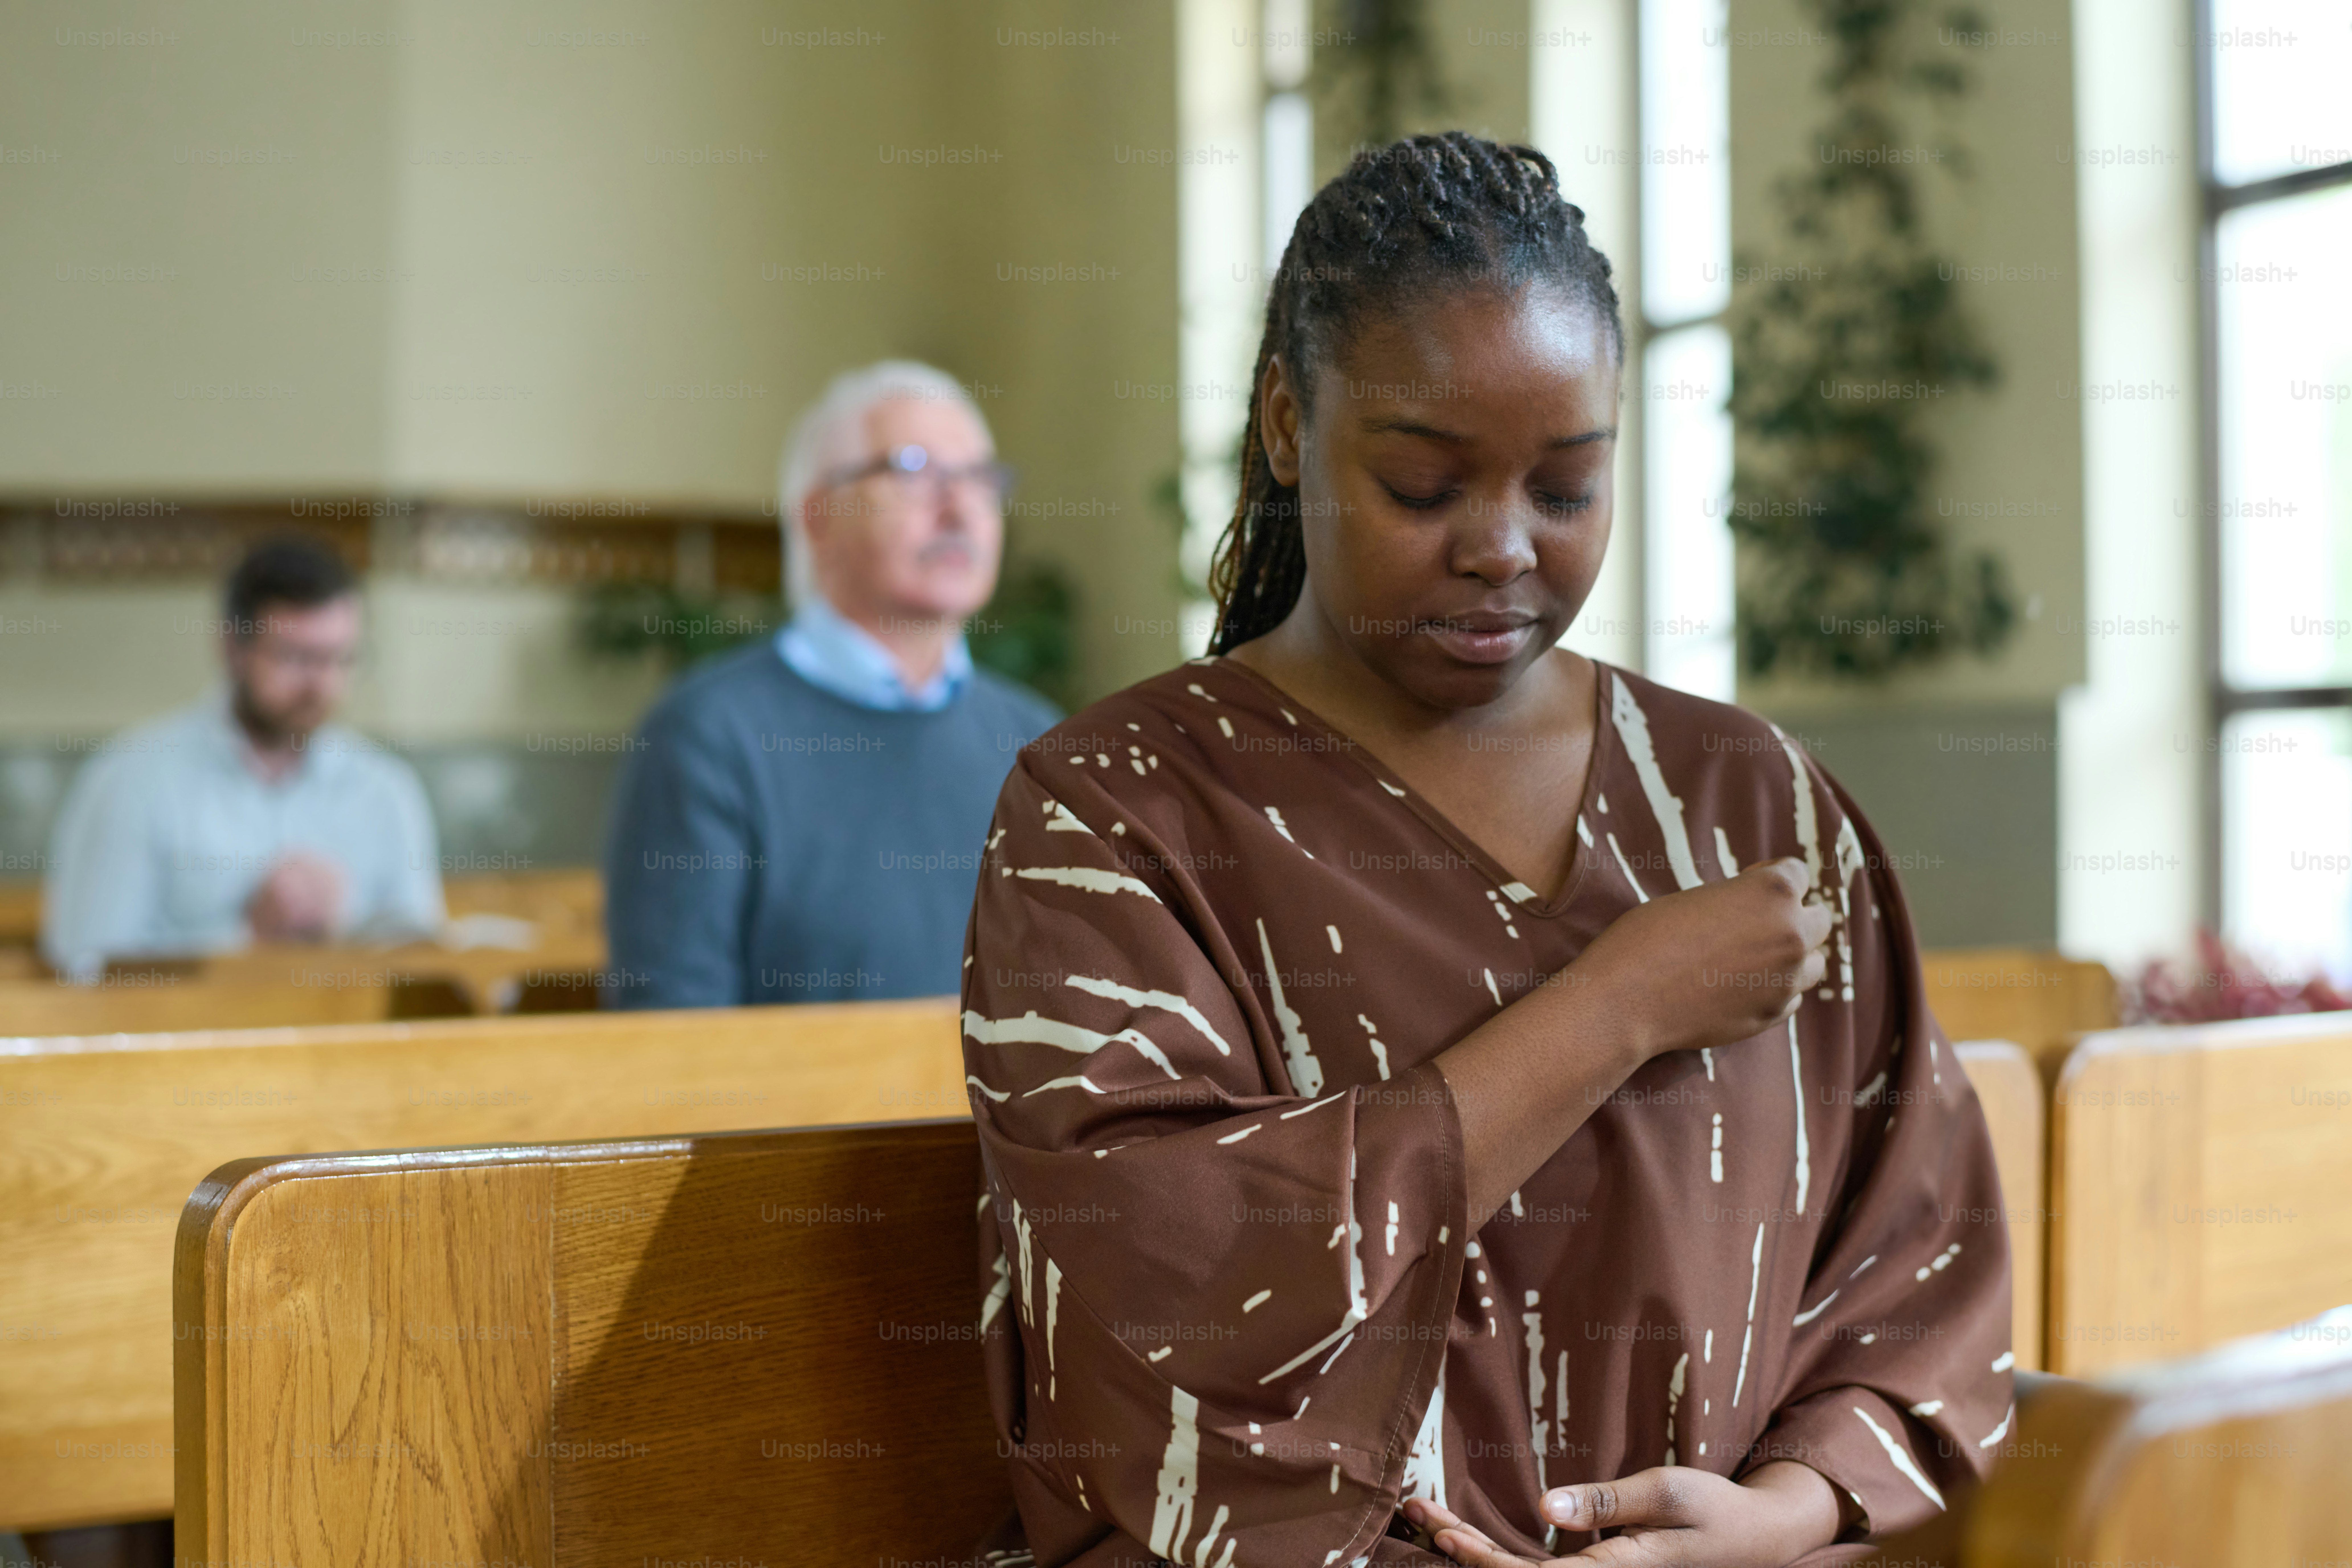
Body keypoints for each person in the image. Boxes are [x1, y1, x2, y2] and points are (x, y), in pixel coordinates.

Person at [962, 134, 2010, 1568]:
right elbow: (1158, 1283)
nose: (1502, 548)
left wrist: (1774, 1520)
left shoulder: (1750, 802)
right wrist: (1617, 1002)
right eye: (1421, 487)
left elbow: (1918, 1261)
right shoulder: (1117, 811)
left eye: (1566, 488)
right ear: (1285, 423)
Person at [603, 361, 1058, 1008]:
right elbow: (672, 1037)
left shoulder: (1035, 740)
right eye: (913, 470)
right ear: (818, 517)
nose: (959, 509)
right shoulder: (709, 736)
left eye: (980, 480)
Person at [40, 535, 444, 981]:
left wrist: (344, 937)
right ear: (233, 649)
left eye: (341, 658)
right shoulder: (130, 783)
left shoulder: (386, 789)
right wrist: (246, 938)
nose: (322, 685)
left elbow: (422, 970)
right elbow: (83, 975)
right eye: (296, 658)